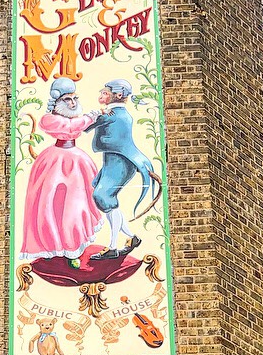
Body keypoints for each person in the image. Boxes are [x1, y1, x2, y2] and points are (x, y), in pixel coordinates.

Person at [19, 78, 103, 265]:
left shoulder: (73, 119)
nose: (72, 103)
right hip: (55, 163)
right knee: (51, 204)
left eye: (74, 98)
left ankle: (74, 244)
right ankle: (57, 245)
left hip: (76, 161)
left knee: (77, 205)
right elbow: (70, 127)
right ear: (57, 101)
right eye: (67, 99)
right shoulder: (49, 119)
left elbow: (76, 126)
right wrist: (90, 117)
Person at [88, 79, 159, 261]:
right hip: (113, 161)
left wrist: (93, 116)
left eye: (105, 93)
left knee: (102, 196)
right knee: (105, 199)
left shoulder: (113, 115)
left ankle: (112, 247)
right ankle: (132, 237)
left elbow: (85, 127)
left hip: (119, 162)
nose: (101, 96)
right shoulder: (119, 114)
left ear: (118, 95)